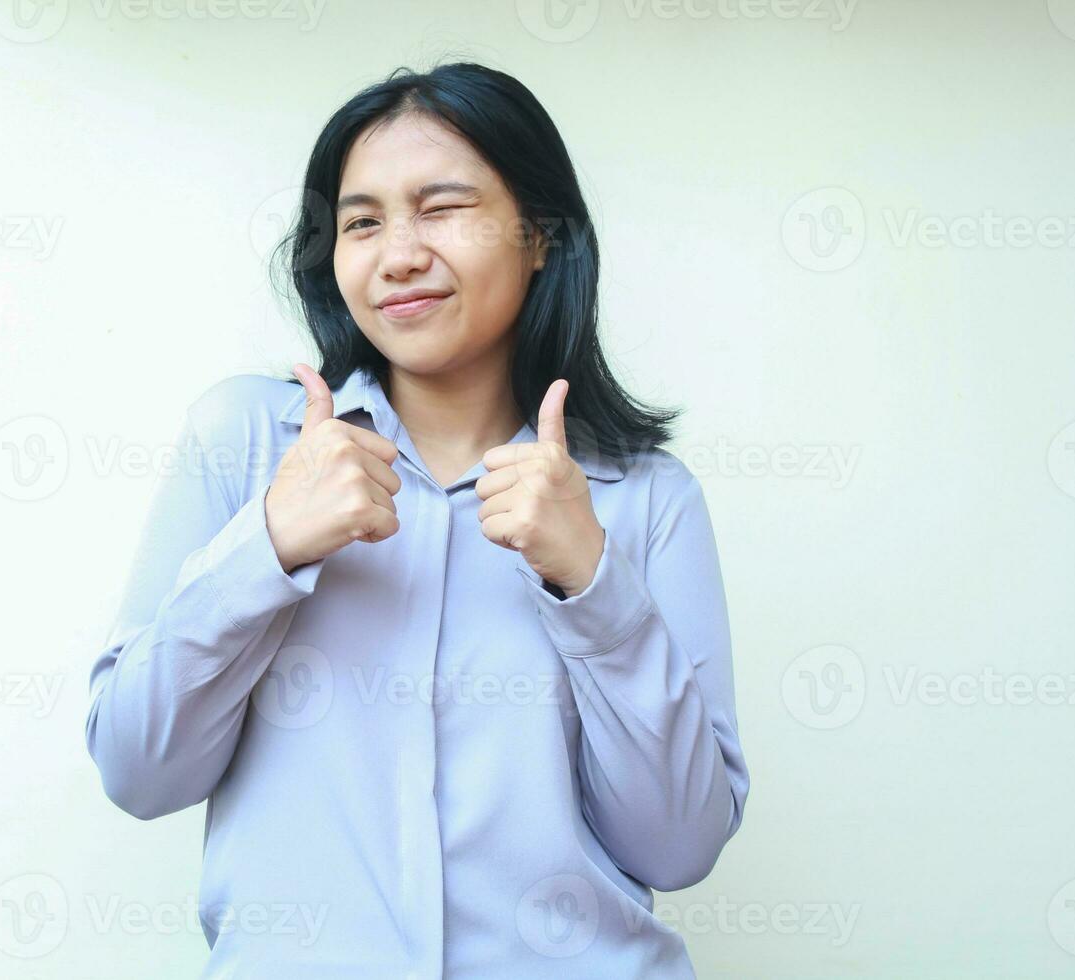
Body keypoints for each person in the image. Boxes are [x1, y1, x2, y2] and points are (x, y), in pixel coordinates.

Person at [85, 61, 749, 979]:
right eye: (362, 222)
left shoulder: (644, 496)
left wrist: (594, 586)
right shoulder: (243, 440)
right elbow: (139, 772)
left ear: (541, 236)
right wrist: (267, 548)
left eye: (442, 208)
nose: (397, 254)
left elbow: (677, 848)